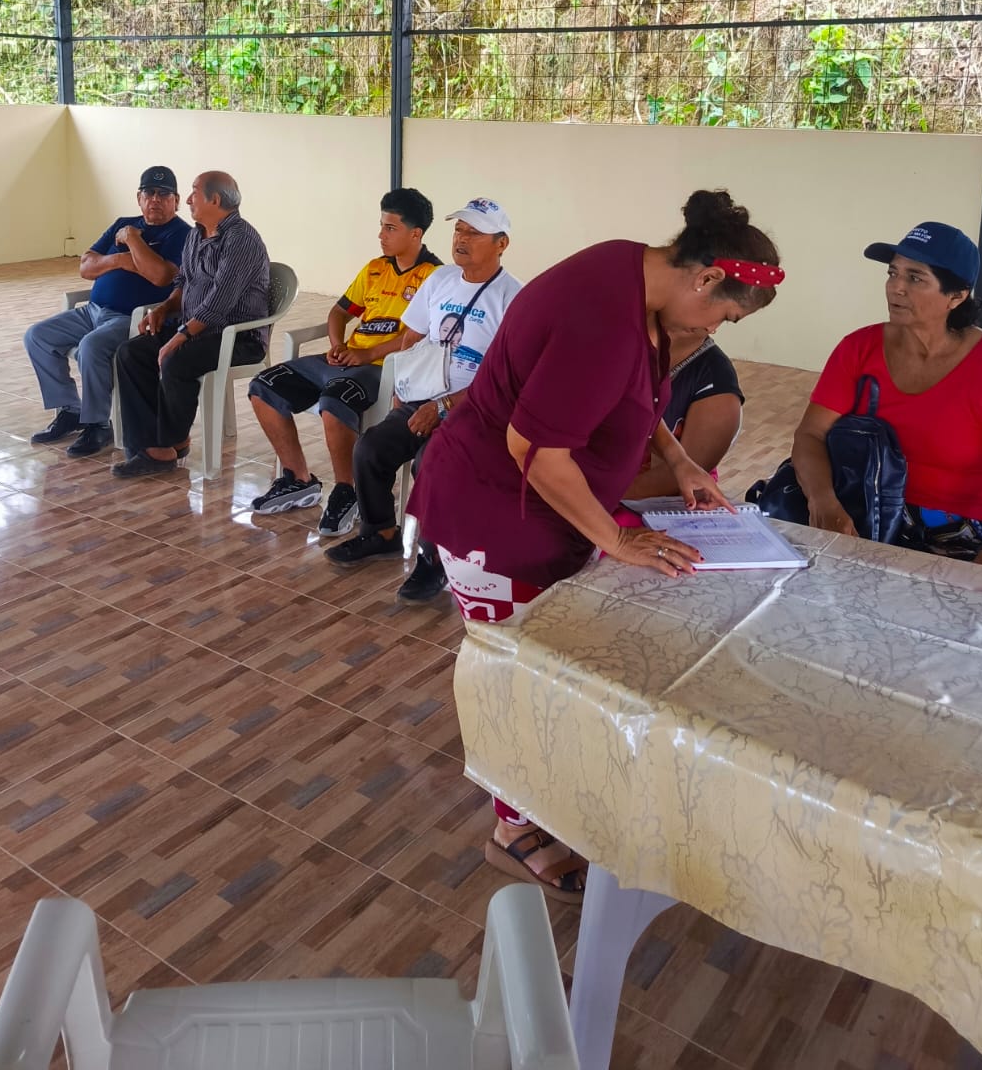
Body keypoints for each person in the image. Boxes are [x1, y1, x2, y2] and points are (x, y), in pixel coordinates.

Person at [409, 189, 783, 902]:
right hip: (496, 515)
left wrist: (680, 461)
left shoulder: (631, 269)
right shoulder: (601, 321)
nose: (715, 329)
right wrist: (617, 539)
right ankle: (513, 831)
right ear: (706, 278)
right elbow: (534, 450)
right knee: (515, 675)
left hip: (549, 514)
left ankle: (548, 798)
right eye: (724, 316)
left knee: (549, 669)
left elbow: (633, 394)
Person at [792, 221, 982, 569]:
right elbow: (811, 434)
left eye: (915, 278)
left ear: (957, 296)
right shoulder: (858, 349)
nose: (896, 287)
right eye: (893, 273)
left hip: (962, 531)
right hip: (863, 510)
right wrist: (823, 501)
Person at [329, 198, 522, 574]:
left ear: (502, 244)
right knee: (370, 448)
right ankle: (381, 533)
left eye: (475, 233)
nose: (461, 239)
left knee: (430, 463)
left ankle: (434, 561)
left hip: (476, 410)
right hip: (423, 397)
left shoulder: (513, 298)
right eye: (459, 230)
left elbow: (507, 379)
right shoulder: (441, 279)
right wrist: (402, 388)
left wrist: (445, 407)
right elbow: (411, 338)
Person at [248, 189, 440, 536]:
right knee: (265, 386)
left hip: (384, 369)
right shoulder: (375, 269)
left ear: (416, 234)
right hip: (347, 358)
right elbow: (339, 312)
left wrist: (367, 355)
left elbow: (421, 337)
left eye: (390, 228)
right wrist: (337, 345)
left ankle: (346, 490)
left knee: (335, 398)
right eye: (381, 226)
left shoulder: (434, 277)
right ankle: (298, 479)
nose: (381, 235)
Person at [24, 165, 190, 458]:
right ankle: (70, 410)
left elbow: (161, 276)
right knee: (37, 336)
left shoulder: (182, 234)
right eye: (149, 193)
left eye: (164, 194)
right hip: (92, 311)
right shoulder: (121, 224)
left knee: (91, 346)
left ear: (176, 201)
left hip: (132, 318)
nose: (155, 199)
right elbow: (86, 267)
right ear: (139, 198)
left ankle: (98, 424)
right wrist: (121, 261)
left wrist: (133, 239)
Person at [111, 172, 270, 478]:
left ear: (215, 200)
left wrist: (179, 337)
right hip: (198, 330)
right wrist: (164, 309)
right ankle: (152, 444)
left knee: (176, 359)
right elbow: (183, 282)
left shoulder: (241, 240)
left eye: (194, 193)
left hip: (237, 338)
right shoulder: (197, 234)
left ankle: (171, 442)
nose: (187, 200)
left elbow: (219, 303)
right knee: (131, 353)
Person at [622, 327, 743, 500]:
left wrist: (599, 497)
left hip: (652, 500)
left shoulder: (716, 381)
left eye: (729, 317)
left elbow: (676, 479)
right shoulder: (622, 344)